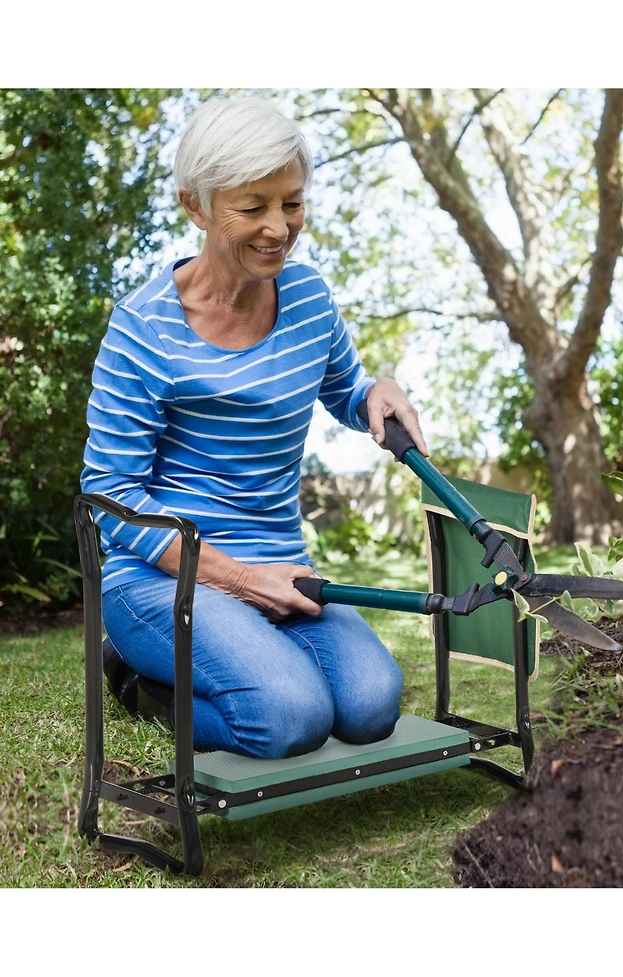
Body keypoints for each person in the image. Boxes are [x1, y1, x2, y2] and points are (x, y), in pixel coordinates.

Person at [81, 94, 428, 759]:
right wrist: (237, 579)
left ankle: (247, 669)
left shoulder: (308, 299)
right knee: (289, 716)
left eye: (292, 203)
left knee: (369, 704)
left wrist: (377, 391)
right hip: (163, 578)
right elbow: (111, 495)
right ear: (196, 205)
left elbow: (347, 392)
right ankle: (135, 680)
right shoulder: (144, 328)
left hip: (281, 566)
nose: (279, 227)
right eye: (253, 206)